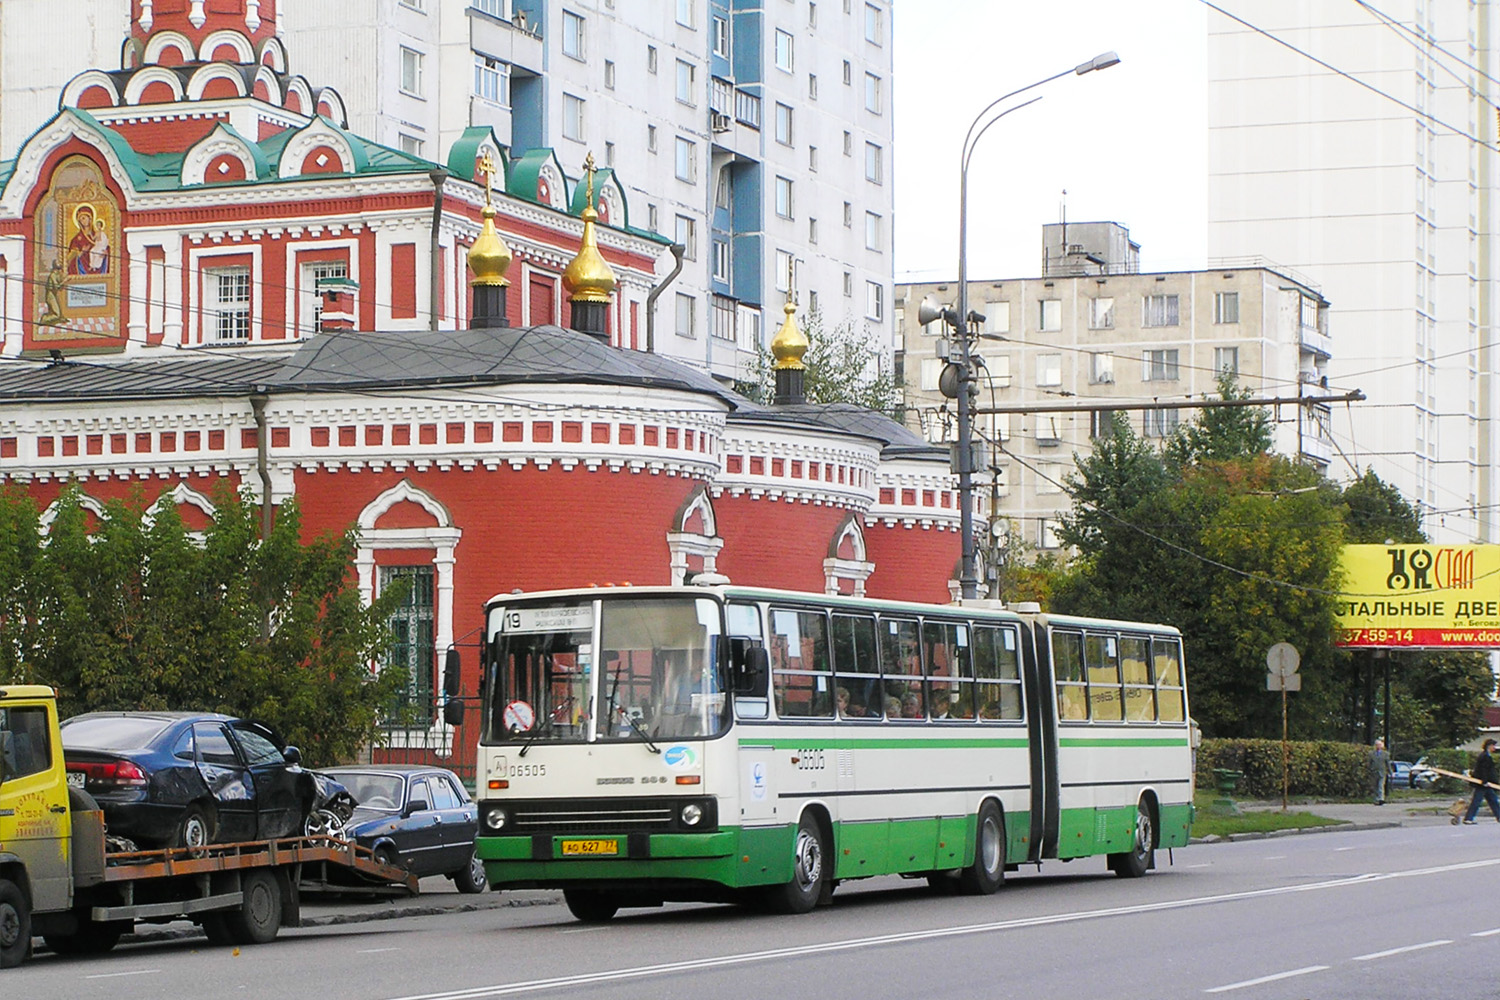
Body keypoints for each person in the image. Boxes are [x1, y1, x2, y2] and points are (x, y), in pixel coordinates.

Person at [1462, 738, 1500, 824]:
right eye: (1493, 746)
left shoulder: (1486, 755)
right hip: (1482, 784)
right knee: (1477, 801)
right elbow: (1483, 770)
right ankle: (1468, 818)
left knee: (1493, 800)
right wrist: (1484, 781)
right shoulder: (1484, 757)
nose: (1494, 748)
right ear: (1489, 746)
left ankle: (1499, 816)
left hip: (1486, 784)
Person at [1371, 738, 1389, 805]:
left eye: (1379, 745)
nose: (1378, 746)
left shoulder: (1385, 754)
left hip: (1382, 772)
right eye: (1377, 745)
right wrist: (1371, 769)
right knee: (1375, 786)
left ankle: (1381, 799)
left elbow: (1387, 763)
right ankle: (1376, 799)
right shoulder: (1372, 754)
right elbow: (1370, 763)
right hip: (1374, 772)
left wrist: (1390, 771)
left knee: (1380, 785)